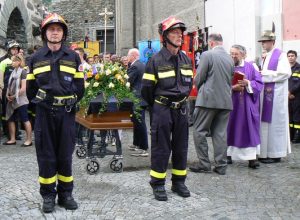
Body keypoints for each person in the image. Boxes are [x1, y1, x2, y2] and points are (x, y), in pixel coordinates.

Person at [26, 13, 84, 213]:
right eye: (51, 29)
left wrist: (68, 101)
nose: (55, 32)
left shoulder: (73, 57)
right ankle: (48, 195)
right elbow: (30, 90)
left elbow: (80, 87)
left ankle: (65, 194)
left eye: (59, 29)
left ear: (63, 34)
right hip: (44, 113)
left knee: (65, 155)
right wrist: (43, 105)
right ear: (45, 33)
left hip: (66, 113)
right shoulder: (34, 58)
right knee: (46, 155)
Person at [141, 16, 193, 201]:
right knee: (161, 148)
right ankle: (158, 184)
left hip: (181, 110)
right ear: (165, 36)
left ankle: (179, 182)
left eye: (181, 33)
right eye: (174, 32)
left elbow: (190, 84)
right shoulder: (154, 61)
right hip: (162, 109)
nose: (179, 36)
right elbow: (146, 90)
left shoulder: (186, 59)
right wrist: (158, 107)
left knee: (181, 147)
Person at [189, 33, 234, 175]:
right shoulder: (230, 58)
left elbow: (200, 77)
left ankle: (204, 164)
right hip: (225, 101)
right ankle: (221, 166)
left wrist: (195, 82)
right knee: (220, 134)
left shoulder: (207, 55)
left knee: (199, 131)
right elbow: (230, 78)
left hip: (208, 100)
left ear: (212, 43)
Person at [257, 28, 291, 163]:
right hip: (267, 95)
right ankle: (266, 152)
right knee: (266, 125)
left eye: (264, 42)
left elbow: (285, 73)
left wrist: (264, 75)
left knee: (276, 125)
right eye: (262, 42)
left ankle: (276, 153)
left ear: (272, 41)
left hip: (276, 97)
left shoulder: (281, 55)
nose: (262, 44)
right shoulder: (267, 56)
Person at [227, 45, 263, 169]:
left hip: (248, 104)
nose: (233, 56)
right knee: (230, 127)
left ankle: (252, 158)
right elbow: (221, 84)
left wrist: (248, 83)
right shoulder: (227, 66)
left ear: (243, 54)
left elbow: (259, 83)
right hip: (231, 103)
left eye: (235, 54)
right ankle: (228, 155)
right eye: (231, 53)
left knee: (250, 129)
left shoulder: (251, 66)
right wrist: (232, 88)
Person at [4, 54, 32, 146]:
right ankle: (12, 139)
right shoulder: (13, 72)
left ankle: (29, 140)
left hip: (21, 100)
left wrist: (14, 96)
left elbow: (23, 88)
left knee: (25, 119)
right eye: (12, 61)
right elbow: (9, 85)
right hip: (12, 100)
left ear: (19, 62)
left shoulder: (23, 72)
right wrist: (8, 95)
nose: (12, 63)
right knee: (11, 119)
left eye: (14, 61)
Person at [126, 48, 149, 157]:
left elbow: (128, 80)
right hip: (140, 98)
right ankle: (137, 143)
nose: (127, 57)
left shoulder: (135, 66)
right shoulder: (141, 64)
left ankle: (144, 148)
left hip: (137, 98)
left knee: (140, 122)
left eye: (128, 55)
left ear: (134, 55)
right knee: (136, 121)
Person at [0, 40, 21, 138]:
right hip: (6, 90)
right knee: (6, 112)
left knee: (16, 111)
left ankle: (16, 132)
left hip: (17, 90)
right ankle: (7, 131)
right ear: (9, 50)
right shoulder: (4, 62)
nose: (15, 51)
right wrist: (1, 89)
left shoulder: (20, 61)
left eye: (16, 49)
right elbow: (1, 77)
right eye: (13, 49)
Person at [287, 50, 300, 143]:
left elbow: (299, 83)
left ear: (296, 57)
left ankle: (297, 136)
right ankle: (291, 135)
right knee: (289, 116)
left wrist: (291, 92)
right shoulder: (286, 68)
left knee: (297, 116)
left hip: (297, 96)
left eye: (292, 56)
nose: (291, 57)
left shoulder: (299, 68)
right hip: (287, 95)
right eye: (289, 56)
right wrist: (287, 93)